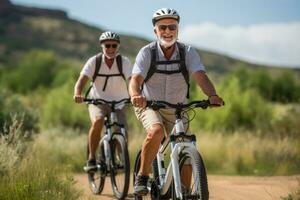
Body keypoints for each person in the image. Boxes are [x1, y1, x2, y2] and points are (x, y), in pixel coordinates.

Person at [129, 8, 224, 195]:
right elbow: (135, 80)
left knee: (187, 147)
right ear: (155, 30)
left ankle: (186, 192)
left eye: (172, 27)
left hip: (179, 108)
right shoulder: (146, 52)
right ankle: (142, 176)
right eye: (162, 27)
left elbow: (200, 76)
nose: (167, 31)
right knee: (156, 132)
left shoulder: (187, 52)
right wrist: (135, 96)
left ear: (177, 29)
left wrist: (212, 95)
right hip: (149, 105)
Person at [73, 31, 132, 172]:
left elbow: (131, 80)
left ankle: (120, 156)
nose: (110, 49)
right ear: (102, 46)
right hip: (97, 100)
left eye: (113, 45)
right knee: (98, 121)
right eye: (107, 46)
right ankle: (92, 158)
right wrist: (78, 93)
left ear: (118, 47)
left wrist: (135, 94)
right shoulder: (94, 61)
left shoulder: (124, 62)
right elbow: (81, 81)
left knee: (122, 129)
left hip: (120, 102)